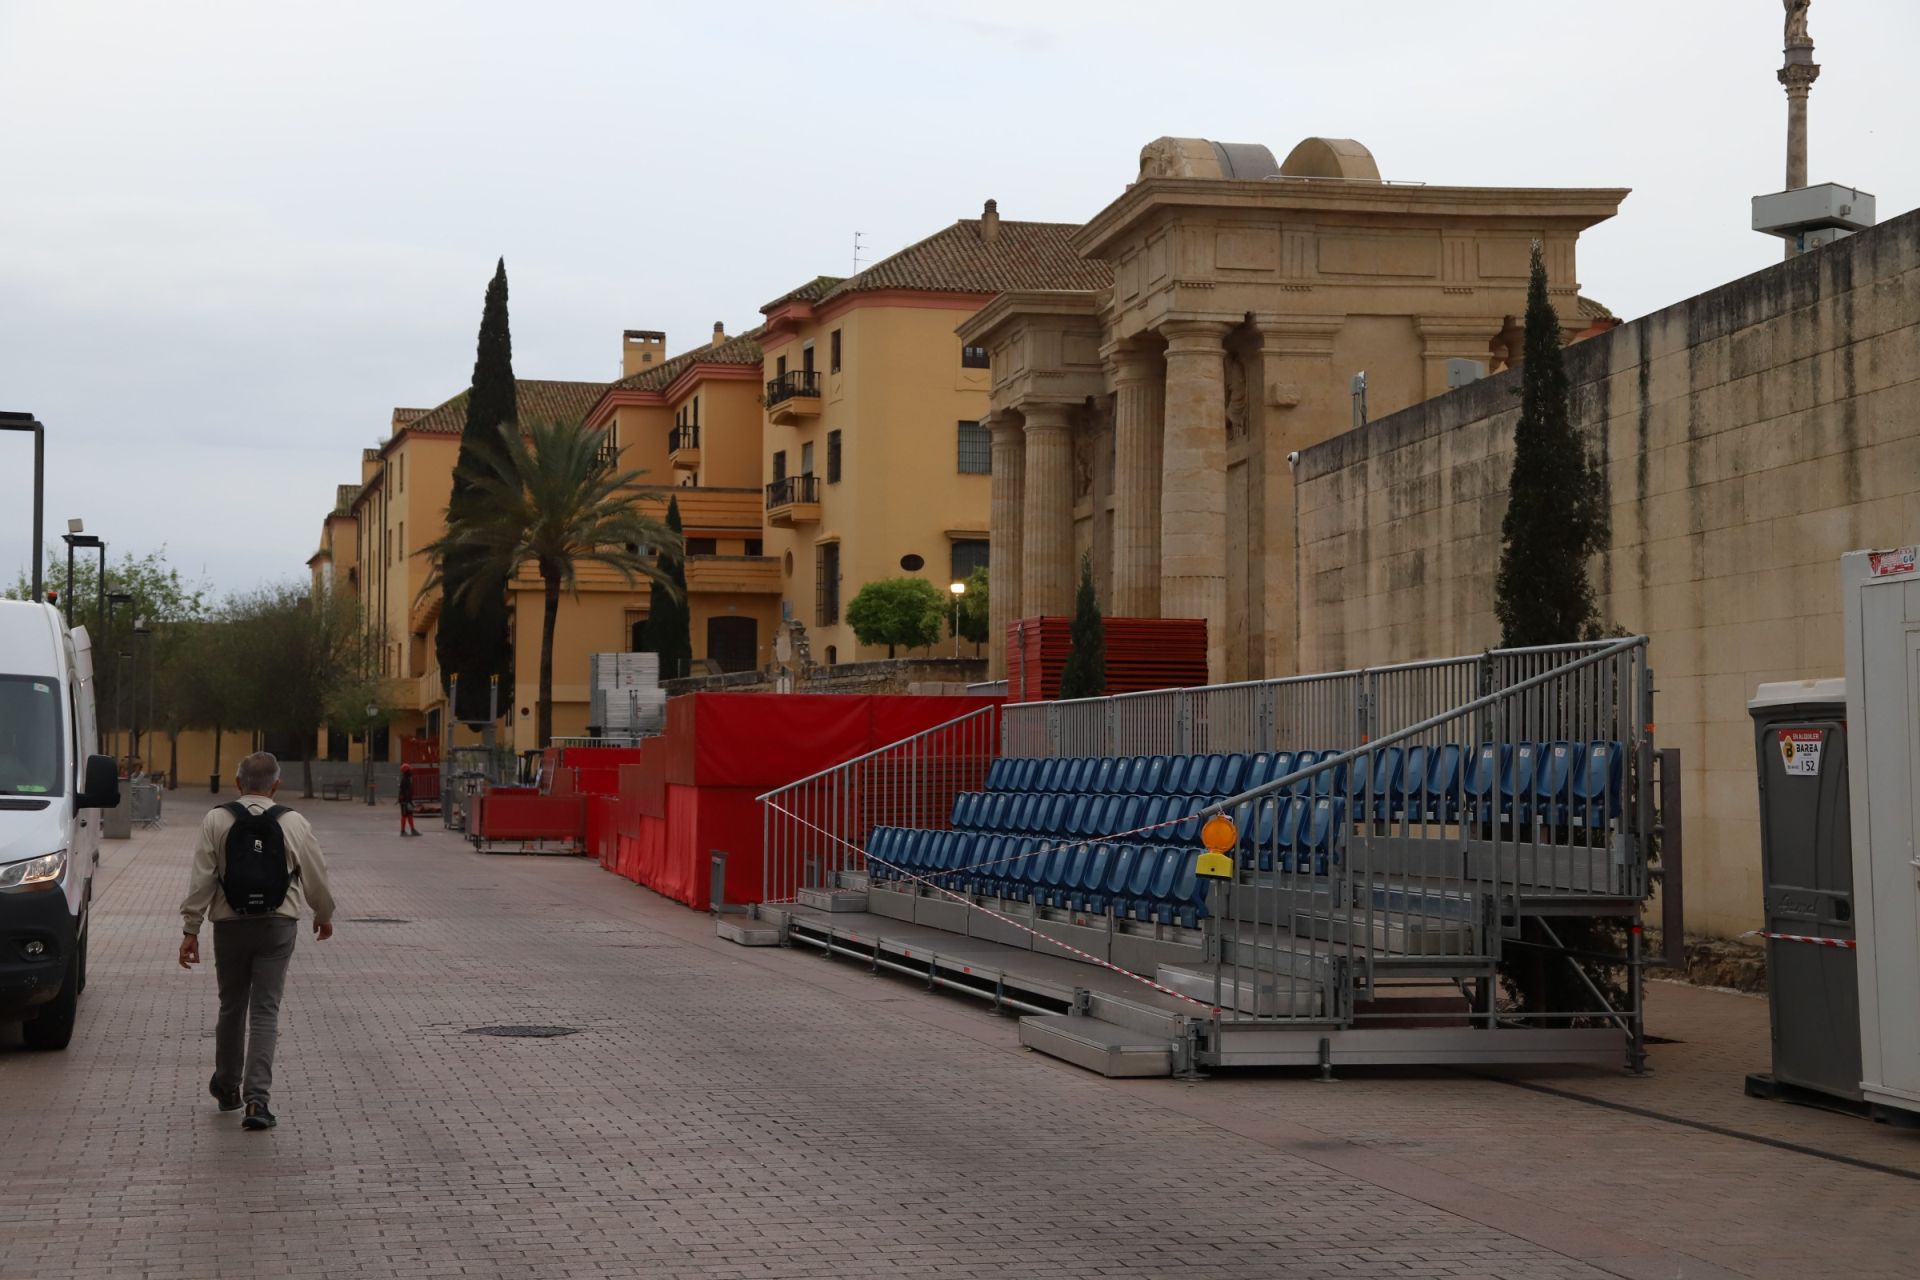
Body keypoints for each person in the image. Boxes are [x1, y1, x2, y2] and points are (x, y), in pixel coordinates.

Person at [178, 752, 336, 1131]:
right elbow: (316, 874)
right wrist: (323, 914)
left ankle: (228, 1087)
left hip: (229, 924)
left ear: (238, 783)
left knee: (231, 1006)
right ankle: (257, 1102)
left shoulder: (217, 818)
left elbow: (203, 877)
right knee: (266, 1011)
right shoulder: (294, 822)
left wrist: (191, 929)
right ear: (276, 786)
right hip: (278, 925)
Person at [398, 762, 419, 837]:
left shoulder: (407, 779)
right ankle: (402, 831)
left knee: (410, 815)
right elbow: (403, 792)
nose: (411, 771)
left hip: (407, 801)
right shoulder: (404, 780)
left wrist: (410, 801)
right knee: (404, 815)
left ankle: (413, 830)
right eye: (409, 770)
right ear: (406, 771)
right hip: (404, 801)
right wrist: (406, 802)